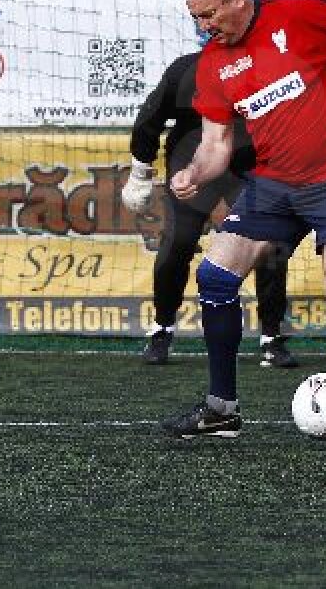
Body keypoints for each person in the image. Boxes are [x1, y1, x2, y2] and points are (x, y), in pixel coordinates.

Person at [157, 0, 326, 459]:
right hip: (274, 180)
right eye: (196, 18)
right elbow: (216, 145)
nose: (205, 26)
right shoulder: (213, 64)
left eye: (210, 13)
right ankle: (222, 411)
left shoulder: (299, 12)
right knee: (216, 275)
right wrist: (193, 175)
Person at [120, 51, 297, 368]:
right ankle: (162, 328)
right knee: (178, 242)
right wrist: (140, 170)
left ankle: (273, 337)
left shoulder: (265, 67)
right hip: (192, 165)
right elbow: (150, 116)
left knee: (270, 246)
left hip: (247, 166)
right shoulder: (187, 70)